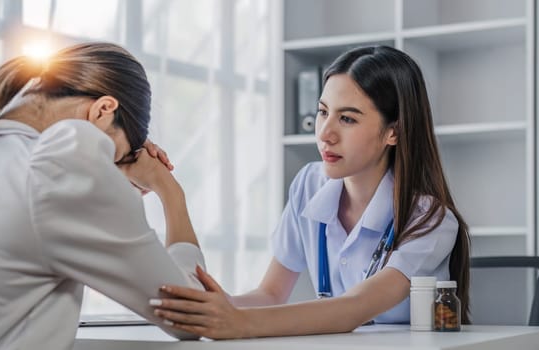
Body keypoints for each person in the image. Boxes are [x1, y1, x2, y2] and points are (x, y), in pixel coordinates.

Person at [148, 45, 471, 339]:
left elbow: (354, 308)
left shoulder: (432, 220)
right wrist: (211, 307)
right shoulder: (309, 184)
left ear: (393, 132)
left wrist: (238, 323)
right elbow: (271, 295)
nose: (325, 134)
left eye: (347, 118)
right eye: (322, 112)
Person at [0, 42, 207, 349]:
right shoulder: (61, 166)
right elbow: (193, 312)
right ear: (103, 109)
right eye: (115, 156)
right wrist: (169, 190)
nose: (111, 169)